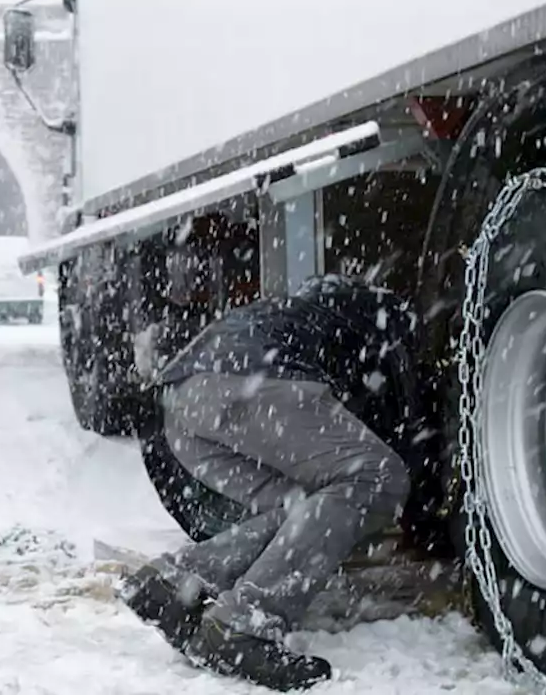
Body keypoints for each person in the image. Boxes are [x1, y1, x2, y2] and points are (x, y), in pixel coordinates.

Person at [121, 273, 419, 691]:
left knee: (311, 504)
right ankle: (243, 625)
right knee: (376, 477)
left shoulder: (297, 310)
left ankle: (177, 581)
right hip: (247, 386)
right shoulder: (390, 324)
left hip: (181, 408)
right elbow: (400, 423)